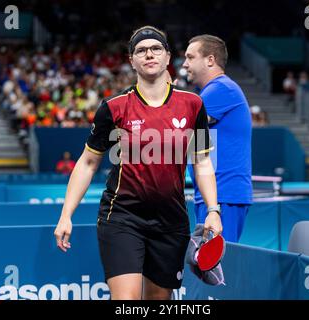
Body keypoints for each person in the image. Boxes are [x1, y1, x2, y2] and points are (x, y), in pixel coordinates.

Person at [54, 26, 222, 300]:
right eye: (141, 50)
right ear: (131, 60)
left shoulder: (193, 105)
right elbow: (87, 163)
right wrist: (65, 215)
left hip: (171, 220)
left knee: (159, 300)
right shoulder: (114, 107)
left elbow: (202, 162)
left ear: (168, 57)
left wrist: (213, 210)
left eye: (156, 49)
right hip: (122, 217)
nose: (149, 54)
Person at [182, 34, 252, 243]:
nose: (185, 64)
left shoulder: (220, 89)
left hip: (222, 195)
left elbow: (177, 128)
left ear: (210, 60)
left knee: (217, 269)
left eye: (190, 57)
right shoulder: (215, 91)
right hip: (213, 196)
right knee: (208, 270)